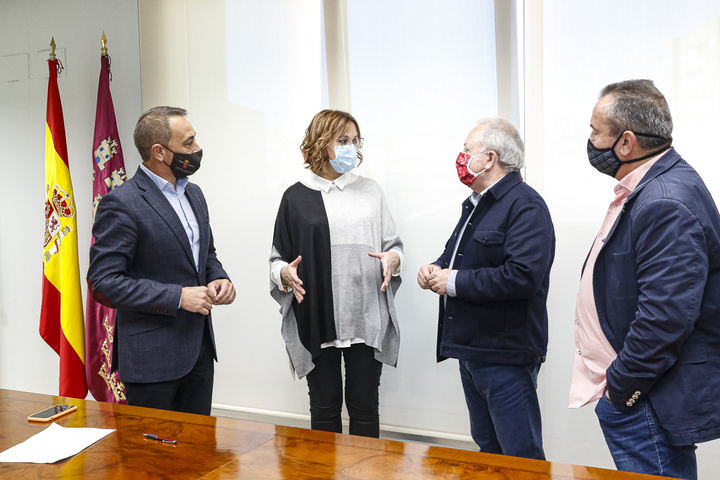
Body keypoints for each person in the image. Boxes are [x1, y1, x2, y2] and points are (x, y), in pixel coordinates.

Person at [569, 79, 720, 480]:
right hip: (643, 392)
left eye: (595, 131)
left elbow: (666, 318)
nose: (589, 139)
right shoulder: (651, 187)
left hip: (648, 397)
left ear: (625, 143)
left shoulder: (665, 200)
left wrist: (621, 390)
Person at [417, 118, 555, 460]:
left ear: (489, 158)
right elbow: (456, 257)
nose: (461, 157)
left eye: (467, 150)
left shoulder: (526, 206)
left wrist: (452, 281)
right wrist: (435, 268)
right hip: (472, 352)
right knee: (488, 453)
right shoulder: (477, 203)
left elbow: (522, 276)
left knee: (521, 457)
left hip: (505, 356)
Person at [87, 106, 235, 415]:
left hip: (198, 352)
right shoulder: (122, 203)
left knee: (197, 457)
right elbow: (103, 283)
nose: (197, 150)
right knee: (153, 461)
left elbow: (204, 253)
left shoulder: (194, 194)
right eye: (188, 143)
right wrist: (177, 296)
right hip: (151, 362)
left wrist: (218, 277)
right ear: (159, 152)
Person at [269, 109, 403, 438]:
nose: (351, 148)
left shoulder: (371, 191)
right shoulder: (296, 196)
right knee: (325, 407)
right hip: (317, 316)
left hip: (365, 314)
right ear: (320, 143)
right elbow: (276, 259)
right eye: (343, 140)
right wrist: (283, 273)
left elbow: (394, 245)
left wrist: (393, 259)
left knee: (364, 406)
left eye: (355, 140)